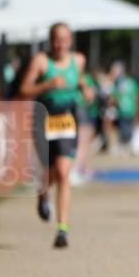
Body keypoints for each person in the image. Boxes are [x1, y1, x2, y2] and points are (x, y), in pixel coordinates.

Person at [19, 22, 94, 248]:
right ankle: (43, 193)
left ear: (70, 41)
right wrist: (47, 85)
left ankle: (62, 229)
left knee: (63, 172)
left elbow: (82, 81)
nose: (60, 44)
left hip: (67, 119)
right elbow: (24, 90)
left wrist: (86, 90)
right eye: (56, 40)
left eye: (64, 40)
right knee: (48, 172)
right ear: (50, 41)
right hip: (43, 118)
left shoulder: (78, 60)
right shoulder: (41, 61)